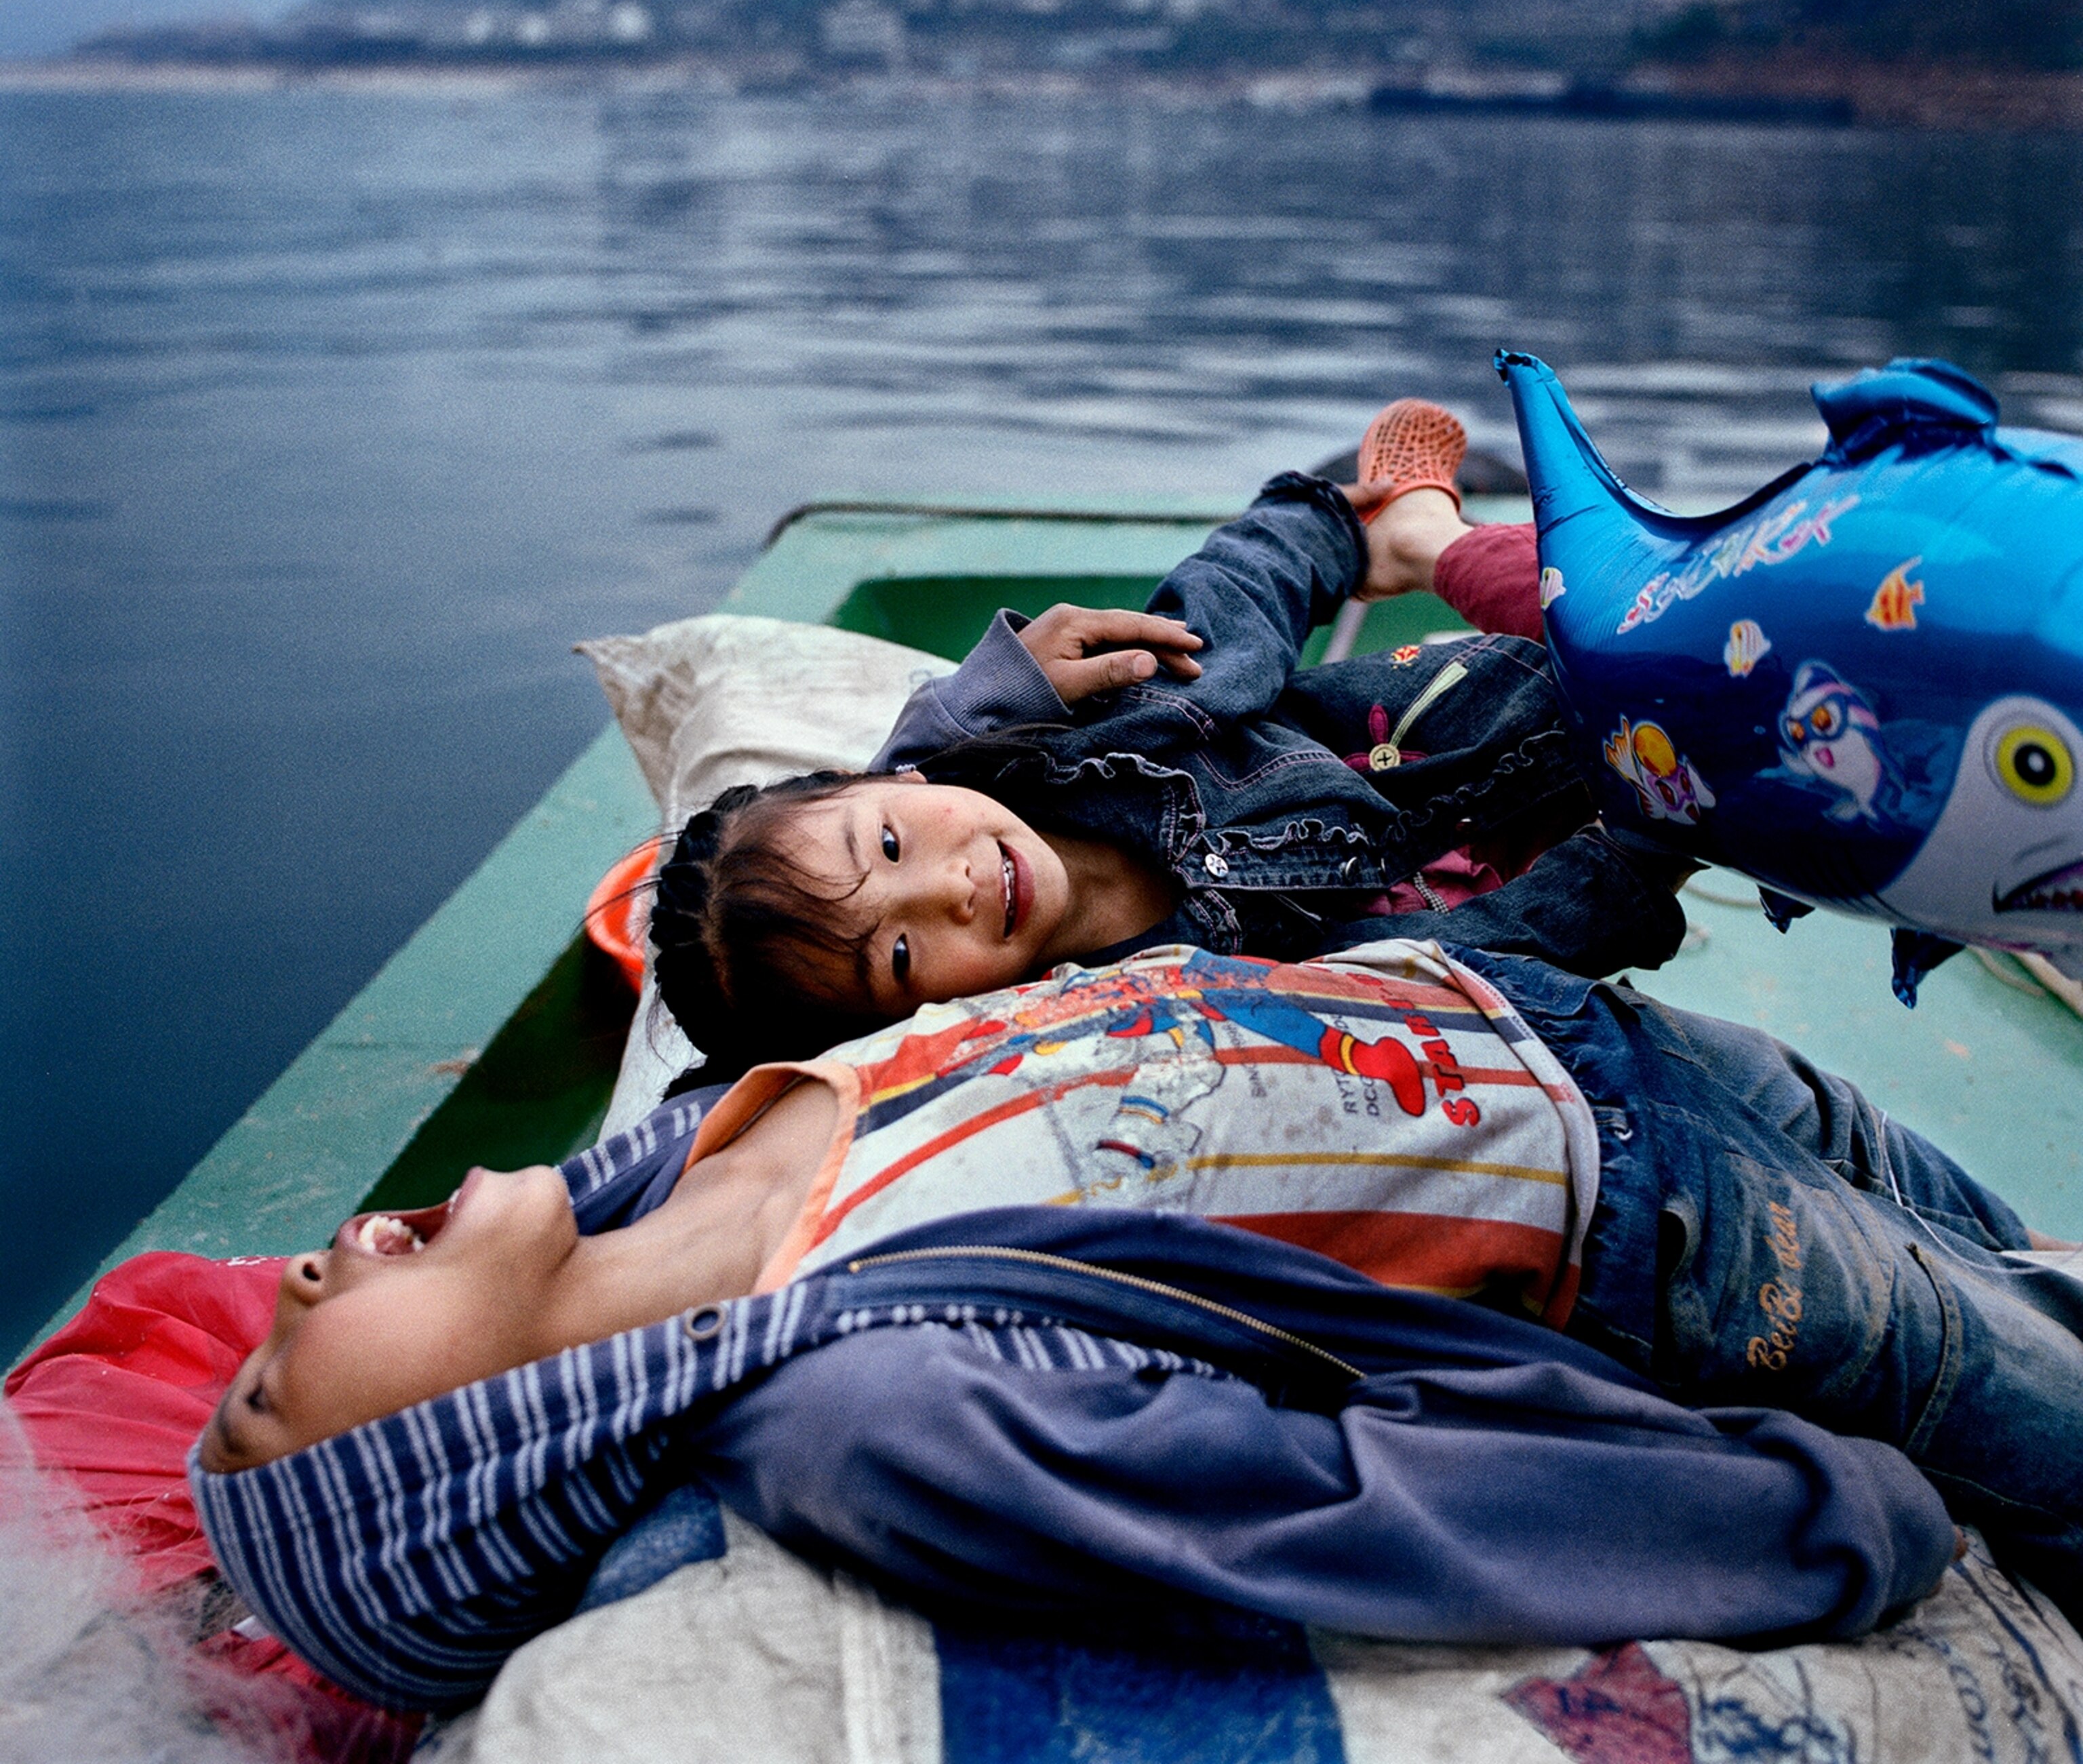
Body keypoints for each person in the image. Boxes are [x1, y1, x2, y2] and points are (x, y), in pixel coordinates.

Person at [191, 936, 2083, 1712]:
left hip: (1559, 1029)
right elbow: (1343, 1506)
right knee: (2036, 1402)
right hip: (1657, 1232)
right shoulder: (861, 1407)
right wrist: (1822, 1523)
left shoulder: (689, 1149)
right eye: (269, 1402)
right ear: (453, 1474)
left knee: (2004, 1250)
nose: (281, 1284)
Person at [649, 403, 1688, 1077]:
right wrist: (1636, 856)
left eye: (885, 844)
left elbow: (1228, 608)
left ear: (877, 777)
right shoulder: (1139, 1027)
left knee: (1598, 628)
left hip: (1482, 722)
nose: (948, 886)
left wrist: (1328, 524)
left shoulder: (1101, 738)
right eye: (906, 953)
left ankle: (1413, 535)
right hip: (1581, 873)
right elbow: (1459, 972)